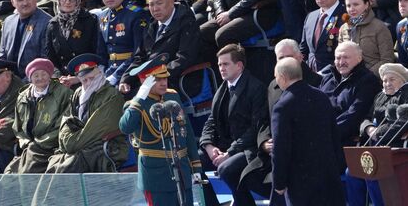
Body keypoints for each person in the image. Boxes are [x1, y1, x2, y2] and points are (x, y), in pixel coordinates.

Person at [240, 38, 322, 203]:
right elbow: (263, 120)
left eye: (289, 57)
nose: (285, 62)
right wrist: (264, 142)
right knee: (242, 176)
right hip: (272, 152)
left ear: (300, 57)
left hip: (301, 156)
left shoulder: (316, 83)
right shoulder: (272, 85)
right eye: (280, 58)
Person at [119, 53, 202, 206]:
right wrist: (139, 97)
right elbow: (125, 127)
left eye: (165, 78)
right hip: (156, 176)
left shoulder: (173, 96)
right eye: (157, 79)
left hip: (182, 169)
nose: (164, 83)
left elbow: (187, 131)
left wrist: (195, 165)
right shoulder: (135, 105)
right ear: (145, 81)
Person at [199, 44, 267, 206]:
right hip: (227, 145)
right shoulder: (222, 89)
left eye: (225, 64)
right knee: (195, 161)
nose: (221, 68)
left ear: (239, 65)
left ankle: (244, 203)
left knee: (226, 169)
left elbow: (256, 128)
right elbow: (211, 121)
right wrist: (208, 146)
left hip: (250, 148)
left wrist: (229, 153)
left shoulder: (256, 88)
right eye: (219, 65)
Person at [271, 57, 345, 206]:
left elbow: (280, 148)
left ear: (283, 77)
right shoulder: (321, 96)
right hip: (328, 176)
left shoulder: (282, 106)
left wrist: (279, 182)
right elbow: (334, 135)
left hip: (300, 182)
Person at [46, 53, 127, 173]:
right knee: (55, 162)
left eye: (92, 78)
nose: (88, 83)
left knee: (67, 166)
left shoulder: (111, 95)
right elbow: (67, 120)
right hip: (80, 143)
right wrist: (66, 141)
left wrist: (71, 144)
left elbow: (97, 129)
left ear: (99, 73)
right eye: (84, 80)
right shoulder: (78, 93)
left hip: (105, 144)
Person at [346, 63, 408, 206]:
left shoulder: (407, 94)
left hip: (396, 147)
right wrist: (369, 128)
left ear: (403, 81)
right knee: (351, 172)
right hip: (374, 147)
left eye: (392, 79)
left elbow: (405, 122)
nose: (387, 84)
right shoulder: (379, 96)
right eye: (385, 80)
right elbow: (366, 118)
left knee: (373, 174)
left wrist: (379, 132)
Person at [120, 0, 200, 96]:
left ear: (172, 2)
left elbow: (184, 59)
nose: (155, 8)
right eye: (151, 4)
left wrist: (156, 76)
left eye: (159, 3)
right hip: (150, 79)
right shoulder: (151, 23)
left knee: (137, 101)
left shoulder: (186, 23)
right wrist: (126, 79)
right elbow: (139, 57)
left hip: (174, 81)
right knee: (120, 92)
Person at [5, 58, 72, 173]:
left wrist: (38, 143)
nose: (40, 78)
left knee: (27, 172)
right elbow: (17, 127)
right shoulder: (23, 96)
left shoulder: (64, 93)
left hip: (52, 146)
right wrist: (26, 143)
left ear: (50, 75)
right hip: (29, 147)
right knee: (8, 175)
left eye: (44, 74)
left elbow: (64, 125)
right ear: (30, 78)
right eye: (35, 75)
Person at [93, 0, 147, 89]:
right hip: (108, 73)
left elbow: (139, 54)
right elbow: (101, 53)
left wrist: (115, 76)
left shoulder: (136, 14)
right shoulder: (102, 16)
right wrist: (101, 73)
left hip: (131, 75)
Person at [319, 41, 380, 146]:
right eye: (338, 58)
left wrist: (327, 133)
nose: (341, 62)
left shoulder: (367, 81)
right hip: (320, 136)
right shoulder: (328, 78)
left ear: (359, 58)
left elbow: (355, 115)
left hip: (345, 141)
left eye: (346, 57)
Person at [44, 0, 102, 89]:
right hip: (62, 81)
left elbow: (97, 53)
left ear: (78, 0)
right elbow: (50, 58)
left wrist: (78, 78)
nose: (67, 2)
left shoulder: (90, 20)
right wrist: (59, 77)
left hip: (88, 78)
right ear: (58, 0)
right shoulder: (52, 24)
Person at [0, 0, 52, 80]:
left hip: (34, 79)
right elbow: (2, 56)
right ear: (13, 2)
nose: (25, 3)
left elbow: (44, 62)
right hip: (9, 79)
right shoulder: (8, 22)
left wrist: (20, 84)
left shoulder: (48, 22)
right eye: (20, 0)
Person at [338, 0, 394, 77]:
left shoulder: (380, 27)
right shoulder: (343, 29)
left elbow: (387, 60)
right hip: (348, 80)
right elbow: (339, 58)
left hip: (373, 81)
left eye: (356, 4)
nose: (351, 9)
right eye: (348, 6)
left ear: (367, 4)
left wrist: (366, 76)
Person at [300, 0, 346, 72]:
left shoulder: (346, 15)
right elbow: (303, 50)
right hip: (311, 75)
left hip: (335, 75)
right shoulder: (310, 16)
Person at [396, 0, 408, 68]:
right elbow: (403, 62)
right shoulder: (401, 26)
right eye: (400, 0)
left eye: (406, 0)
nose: (401, 4)